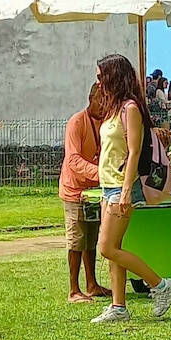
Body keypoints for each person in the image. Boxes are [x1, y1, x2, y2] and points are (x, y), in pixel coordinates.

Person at [90, 53, 171, 325]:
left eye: (100, 76)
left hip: (120, 186)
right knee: (113, 247)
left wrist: (127, 190)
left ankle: (161, 284)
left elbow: (134, 150)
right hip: (108, 185)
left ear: (113, 76)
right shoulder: (113, 108)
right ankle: (118, 306)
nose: (97, 81)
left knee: (106, 247)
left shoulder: (130, 108)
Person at [60, 84, 110, 303]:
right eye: (101, 101)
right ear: (91, 98)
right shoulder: (77, 123)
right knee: (76, 240)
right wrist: (100, 173)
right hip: (75, 190)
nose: (104, 106)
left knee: (91, 238)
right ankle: (73, 290)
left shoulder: (106, 123)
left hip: (94, 190)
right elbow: (73, 159)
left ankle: (91, 284)